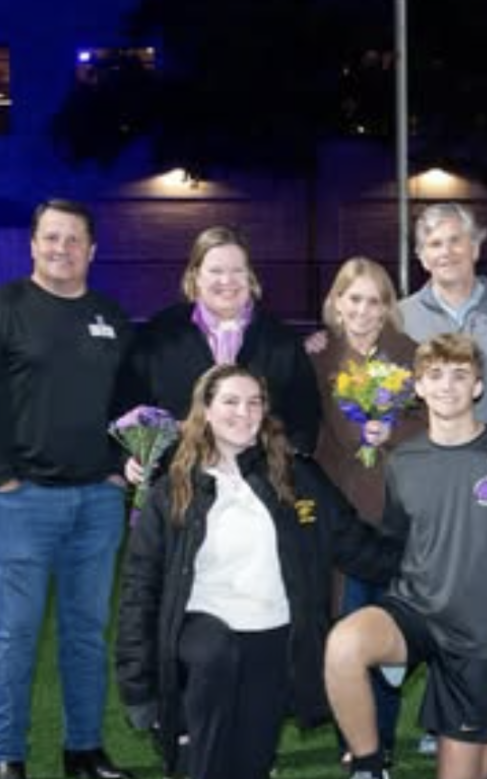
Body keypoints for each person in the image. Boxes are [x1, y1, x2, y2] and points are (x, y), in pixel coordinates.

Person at [115, 364, 398, 779]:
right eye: (230, 401)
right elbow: (141, 589)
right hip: (200, 640)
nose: (244, 412)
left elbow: (357, 546)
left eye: (254, 403)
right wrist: (138, 687)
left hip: (273, 639)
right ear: (205, 411)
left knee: (251, 763)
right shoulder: (173, 489)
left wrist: (434, 558)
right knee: (213, 669)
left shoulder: (297, 477)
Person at [323, 333, 487, 779]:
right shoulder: (405, 461)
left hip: (475, 629)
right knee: (344, 645)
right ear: (419, 387)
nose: (447, 385)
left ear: (478, 386)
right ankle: (370, 767)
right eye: (435, 375)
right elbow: (396, 542)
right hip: (415, 608)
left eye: (460, 375)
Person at [0, 199, 134, 779]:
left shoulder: (111, 317)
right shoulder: (7, 308)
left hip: (98, 502)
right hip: (21, 500)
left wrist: (116, 466)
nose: (61, 248)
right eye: (50, 237)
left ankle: (83, 751)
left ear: (92, 250)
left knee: (85, 634)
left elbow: (132, 405)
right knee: (16, 635)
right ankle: (8, 755)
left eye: (73, 239)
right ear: (32, 244)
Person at [307, 257, 424, 767]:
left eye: (374, 300)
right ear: (337, 302)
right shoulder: (317, 354)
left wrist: (391, 433)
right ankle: (355, 747)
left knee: (391, 641)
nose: (363, 309)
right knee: (345, 632)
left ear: (388, 307)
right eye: (353, 298)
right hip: (343, 518)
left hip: (398, 517)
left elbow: (435, 419)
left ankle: (386, 744)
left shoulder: (410, 355)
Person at [115, 224, 320, 457]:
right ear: (195, 276)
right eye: (215, 270)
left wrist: (288, 463)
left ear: (250, 277)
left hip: (260, 485)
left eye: (237, 270)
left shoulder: (282, 340)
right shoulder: (157, 335)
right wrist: (128, 459)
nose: (227, 280)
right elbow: (127, 406)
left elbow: (305, 416)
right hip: (177, 482)